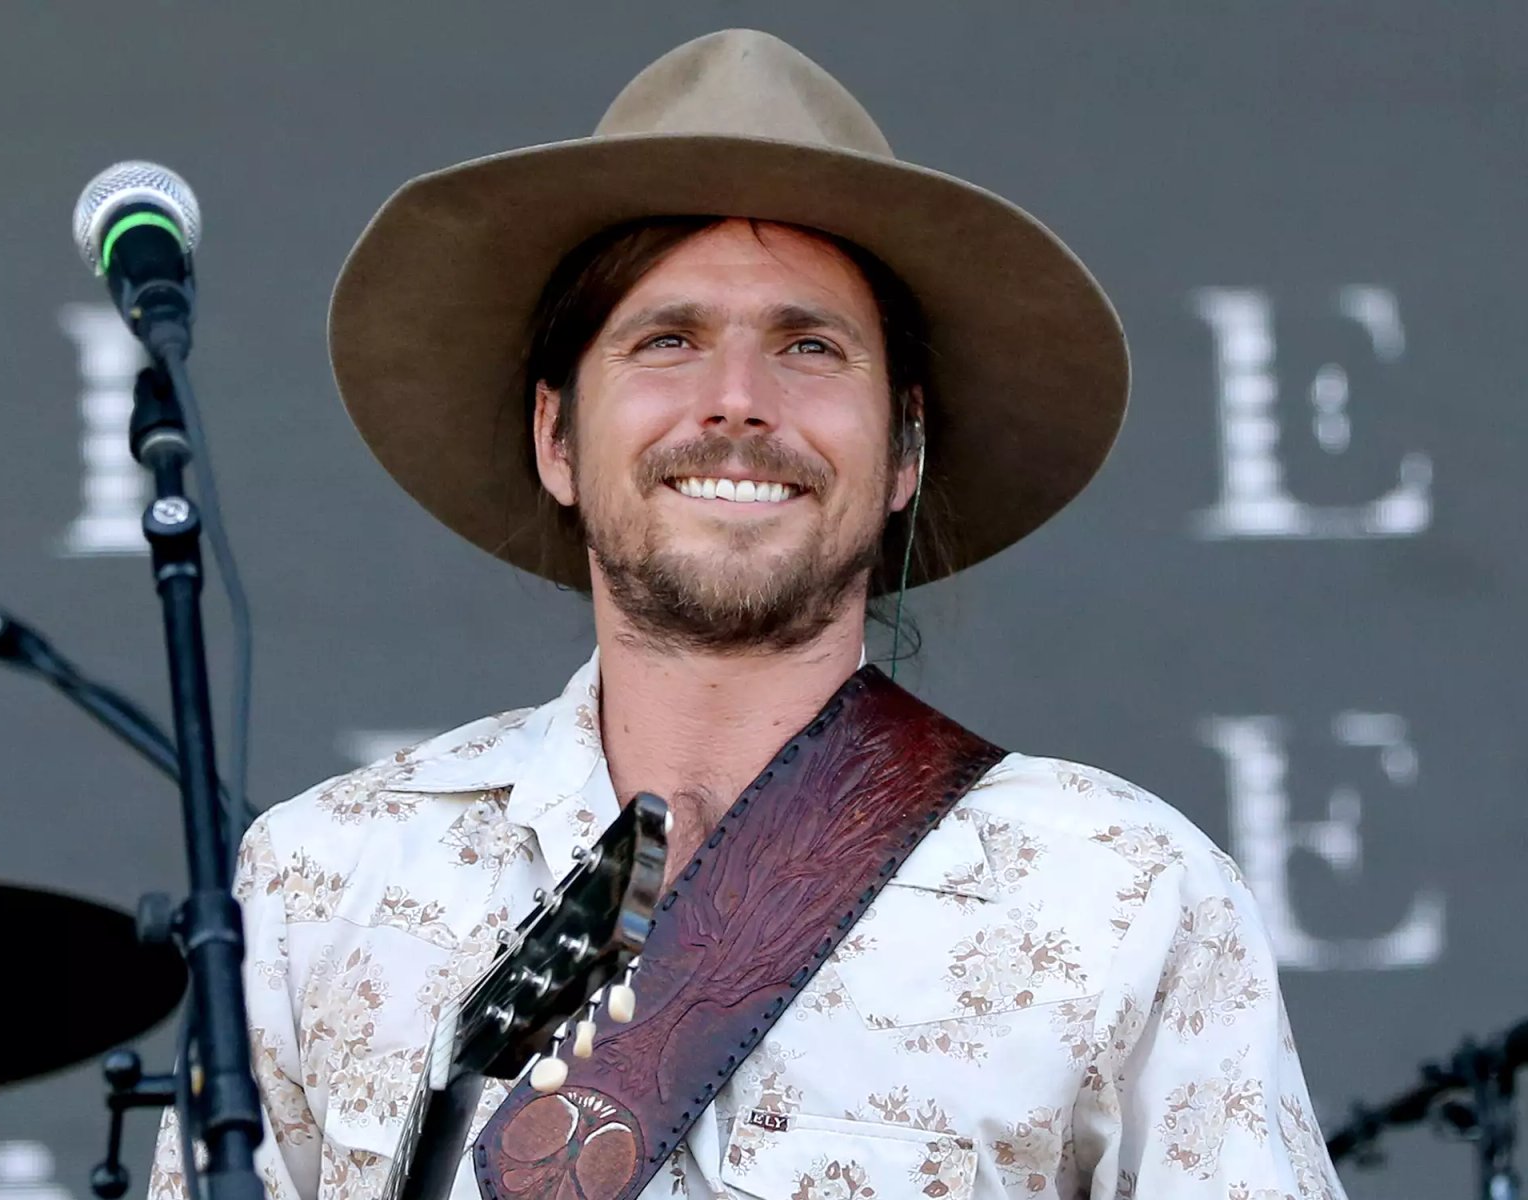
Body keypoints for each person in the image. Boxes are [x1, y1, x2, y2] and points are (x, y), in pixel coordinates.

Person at [150, 28, 1346, 1200]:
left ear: (901, 455)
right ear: (555, 437)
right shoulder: (323, 884)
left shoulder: (1122, 892)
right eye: (666, 340)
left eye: (809, 346)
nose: (737, 401)